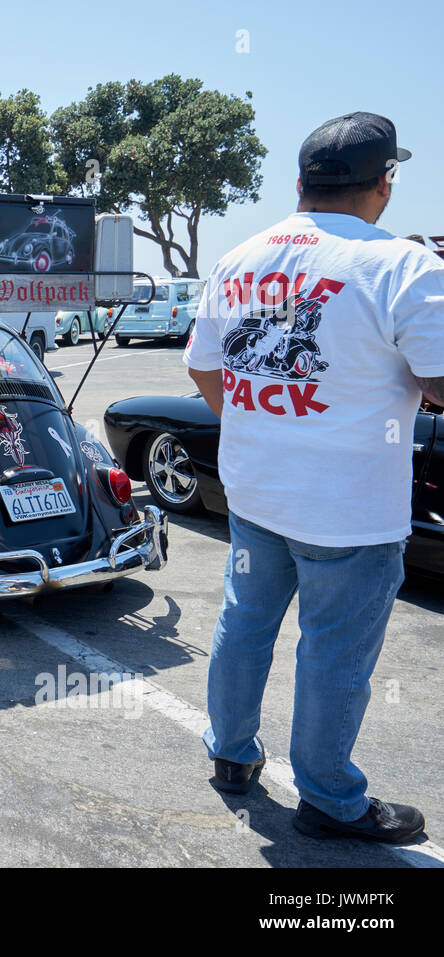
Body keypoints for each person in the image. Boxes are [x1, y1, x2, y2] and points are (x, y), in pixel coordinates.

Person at [184, 112, 444, 844]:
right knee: (332, 649)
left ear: (300, 184)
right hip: (350, 510)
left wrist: (258, 422)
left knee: (244, 621)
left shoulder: (240, 258)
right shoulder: (403, 265)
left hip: (256, 491)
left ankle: (231, 753)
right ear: (384, 184)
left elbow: (205, 365)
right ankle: (329, 796)